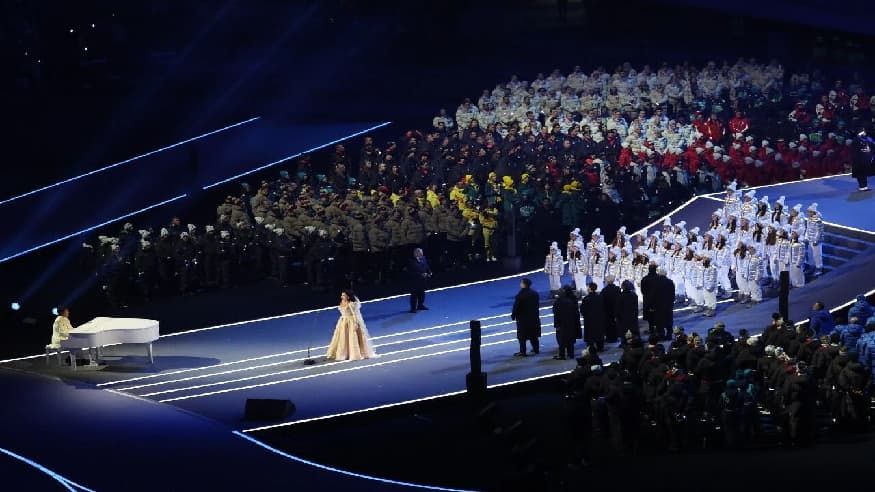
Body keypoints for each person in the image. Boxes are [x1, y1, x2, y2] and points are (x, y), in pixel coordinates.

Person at [326, 290, 376, 361]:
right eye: (342, 295)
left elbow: (355, 314)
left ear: (348, 297)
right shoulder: (342, 302)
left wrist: (355, 323)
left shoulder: (351, 304)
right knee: (343, 337)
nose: (341, 296)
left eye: (343, 295)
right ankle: (344, 353)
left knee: (352, 338)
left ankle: (353, 353)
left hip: (351, 322)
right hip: (343, 321)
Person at [511, 277, 541, 356]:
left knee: (522, 336)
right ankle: (536, 349)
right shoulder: (535, 293)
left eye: (521, 282)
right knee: (533, 334)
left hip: (523, 319)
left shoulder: (520, 295)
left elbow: (516, 307)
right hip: (534, 317)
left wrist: (513, 315)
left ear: (524, 284)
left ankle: (523, 351)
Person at [553, 285, 582, 360]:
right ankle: (571, 354)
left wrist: (556, 325)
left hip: (561, 324)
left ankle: (562, 355)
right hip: (571, 322)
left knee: (561, 340)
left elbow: (556, 314)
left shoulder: (557, 302)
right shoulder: (570, 301)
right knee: (570, 339)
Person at [580, 282, 606, 351]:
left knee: (590, 335)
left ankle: (591, 348)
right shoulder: (600, 297)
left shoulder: (586, 298)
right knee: (599, 333)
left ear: (590, 288)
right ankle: (600, 347)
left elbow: (582, 310)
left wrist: (585, 316)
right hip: (599, 319)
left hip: (589, 320)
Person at [653, 267, 676, 340]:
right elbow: (673, 294)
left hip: (659, 305)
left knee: (660, 321)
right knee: (669, 320)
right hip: (668, 304)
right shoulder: (670, 282)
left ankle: (661, 335)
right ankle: (669, 335)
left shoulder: (656, 282)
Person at [408, 248, 432, 313]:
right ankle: (413, 308)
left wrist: (429, 272)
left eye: (422, 252)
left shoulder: (424, 258)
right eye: (420, 253)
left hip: (423, 281)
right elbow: (410, 272)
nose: (422, 254)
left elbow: (426, 266)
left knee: (422, 293)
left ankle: (420, 305)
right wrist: (420, 274)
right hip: (415, 281)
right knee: (414, 295)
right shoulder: (411, 261)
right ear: (415, 253)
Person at [601, 275, 621, 345]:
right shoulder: (617, 289)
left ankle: (609, 337)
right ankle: (616, 336)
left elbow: (602, 300)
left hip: (607, 310)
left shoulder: (604, 290)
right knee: (615, 323)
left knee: (608, 324)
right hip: (616, 309)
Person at [851, 126, 872, 191]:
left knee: (864, 174)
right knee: (860, 174)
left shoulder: (866, 139)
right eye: (863, 131)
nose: (865, 132)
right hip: (858, 160)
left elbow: (870, 145)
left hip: (864, 160)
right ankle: (862, 186)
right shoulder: (856, 140)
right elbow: (855, 151)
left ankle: (865, 186)